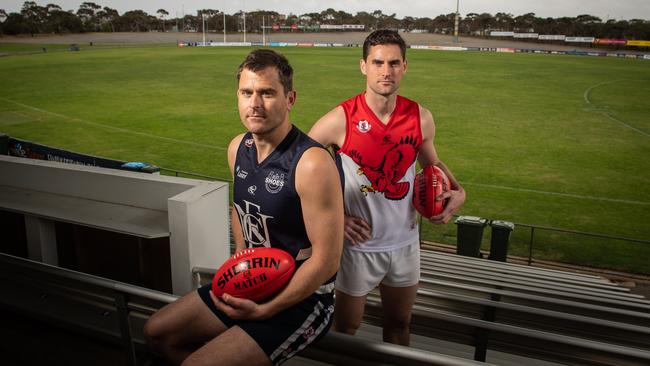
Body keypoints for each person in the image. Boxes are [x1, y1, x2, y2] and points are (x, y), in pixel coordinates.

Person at [144, 49, 344, 366]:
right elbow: (240, 210)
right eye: (246, 92)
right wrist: (241, 258)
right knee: (156, 332)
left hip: (303, 301)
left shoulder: (312, 163)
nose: (254, 104)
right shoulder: (238, 147)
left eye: (267, 93)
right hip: (254, 282)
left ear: (290, 98)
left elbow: (327, 261)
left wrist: (267, 309)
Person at [308, 29, 466, 346]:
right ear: (363, 66)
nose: (386, 71)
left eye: (394, 63)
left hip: (405, 243)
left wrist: (458, 190)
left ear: (405, 66)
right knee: (347, 329)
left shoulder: (420, 117)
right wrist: (336, 218)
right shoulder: (340, 119)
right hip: (358, 248)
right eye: (378, 62)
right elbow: (300, 173)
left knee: (399, 324)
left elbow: (432, 166)